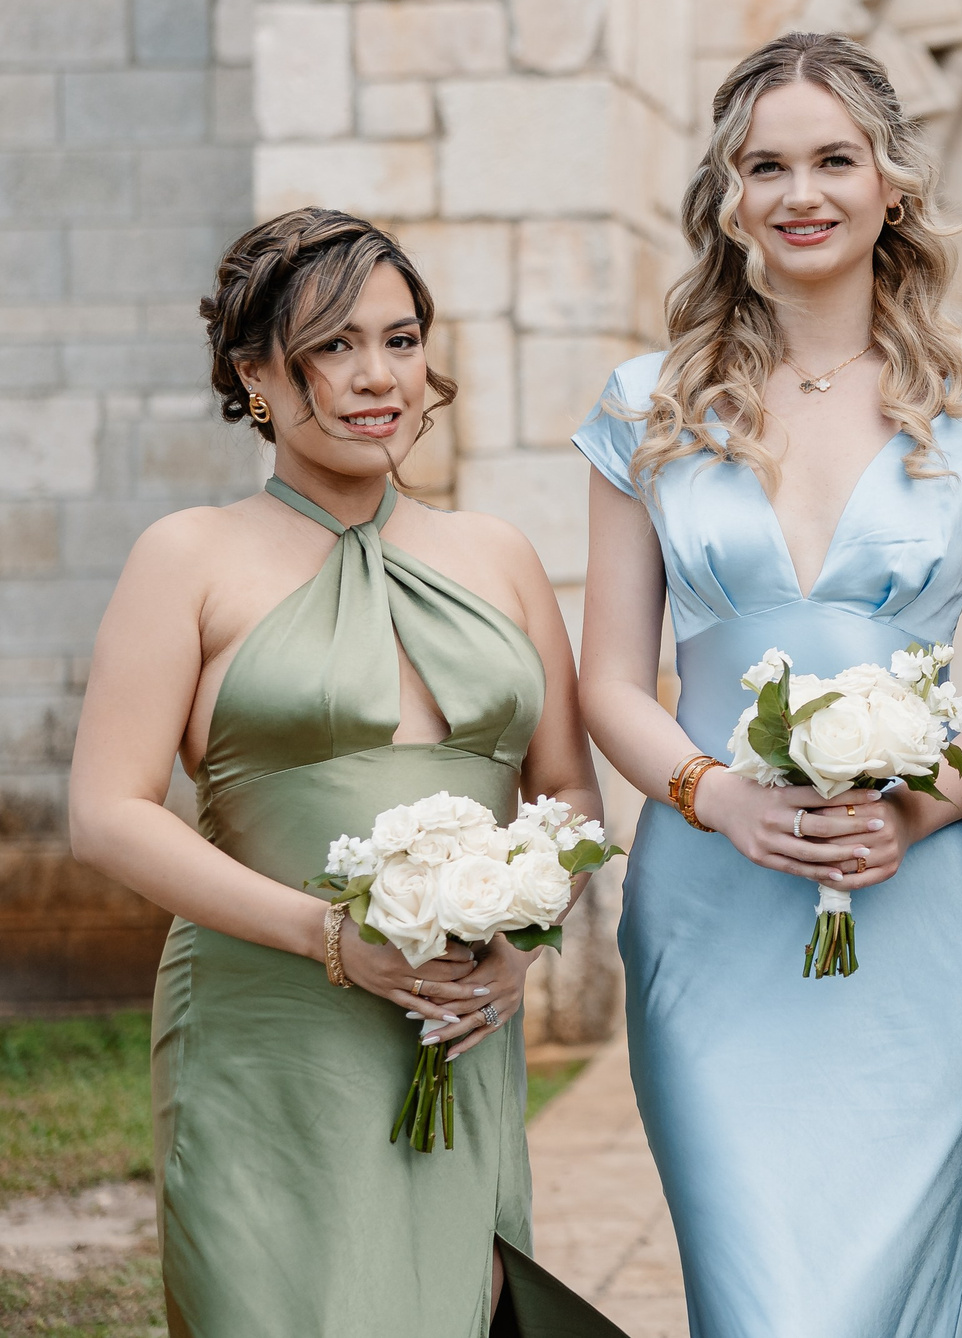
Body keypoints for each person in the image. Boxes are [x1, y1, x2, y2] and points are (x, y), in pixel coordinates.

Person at [574, 31, 962, 1334]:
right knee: (762, 1297)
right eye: (767, 164)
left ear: (889, 182)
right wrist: (712, 790)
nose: (803, 192)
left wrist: (915, 806)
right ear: (729, 195)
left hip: (920, 906)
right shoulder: (647, 404)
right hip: (711, 900)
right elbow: (610, 679)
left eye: (835, 158)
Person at [65, 208, 620, 1336]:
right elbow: (108, 815)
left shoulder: (497, 553)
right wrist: (329, 937)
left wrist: (519, 946)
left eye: (402, 338)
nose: (380, 377)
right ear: (256, 373)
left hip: (453, 1026)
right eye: (334, 345)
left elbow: (565, 789)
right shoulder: (188, 555)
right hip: (267, 1030)